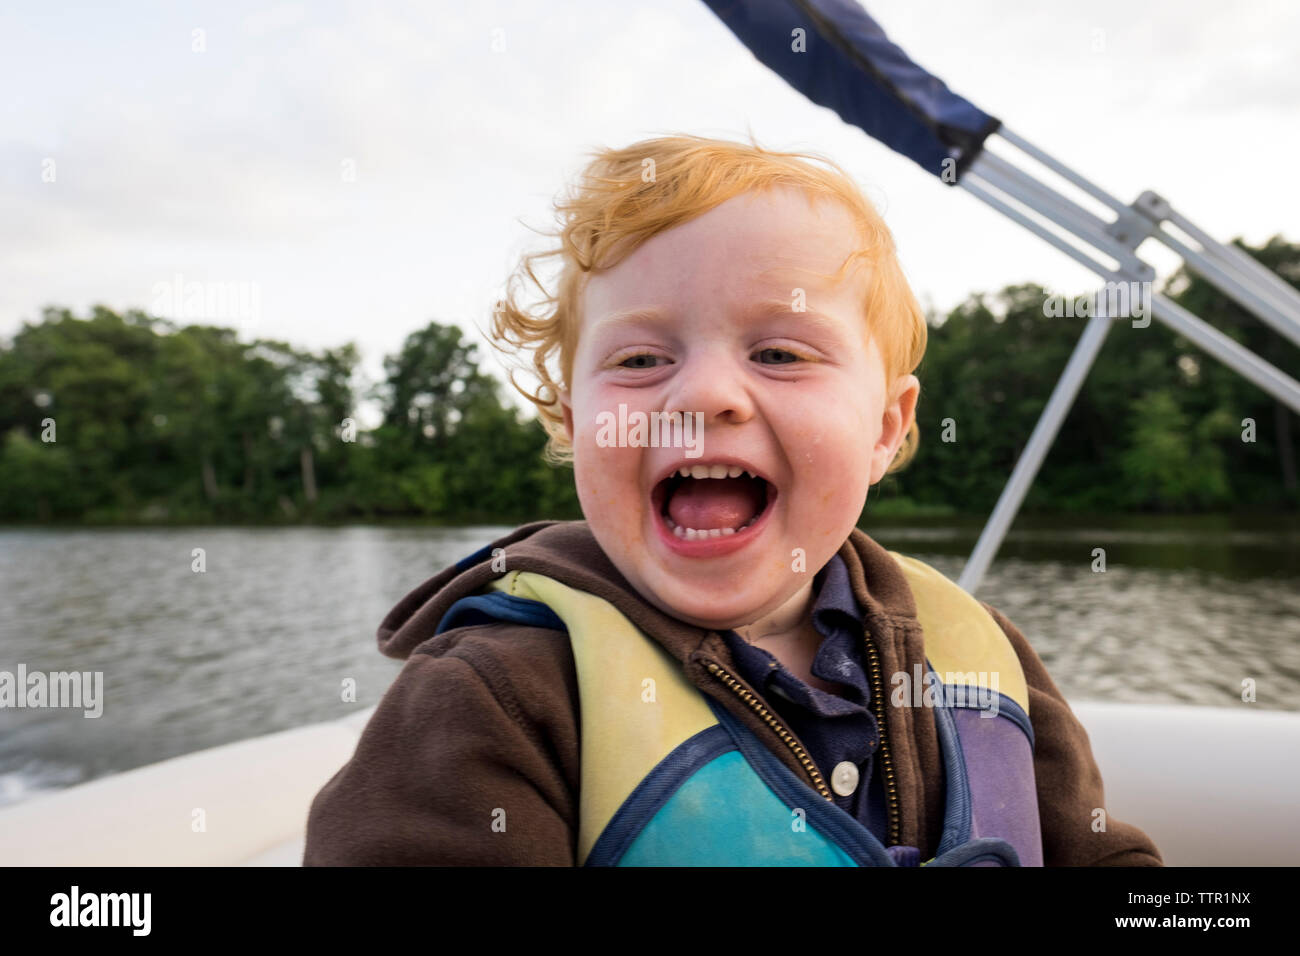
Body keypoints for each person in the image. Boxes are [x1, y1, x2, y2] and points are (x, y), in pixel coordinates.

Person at [303, 134, 1162, 866]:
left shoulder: (979, 647)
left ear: (887, 426)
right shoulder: (495, 695)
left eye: (782, 355)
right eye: (640, 361)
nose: (703, 395)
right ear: (572, 422)